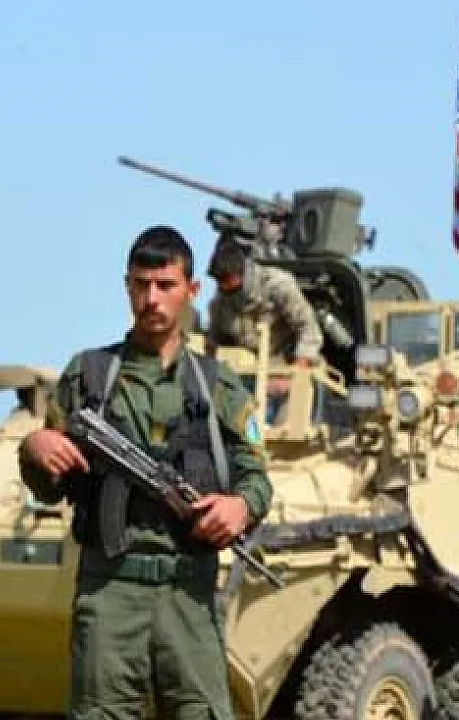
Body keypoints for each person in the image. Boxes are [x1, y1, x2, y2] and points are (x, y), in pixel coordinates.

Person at [18, 226, 274, 720]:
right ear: (127, 286)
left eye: (165, 285)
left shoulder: (218, 386)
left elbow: (255, 475)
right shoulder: (89, 376)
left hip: (188, 591)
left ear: (191, 290)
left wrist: (241, 506)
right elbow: (48, 488)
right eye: (141, 284)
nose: (151, 298)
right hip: (110, 588)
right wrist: (36, 449)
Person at [204, 240, 324, 419]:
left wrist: (293, 376)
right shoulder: (220, 304)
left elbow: (309, 329)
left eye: (230, 285)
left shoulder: (277, 285)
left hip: (291, 367)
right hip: (250, 376)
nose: (223, 290)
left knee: (288, 422)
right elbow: (213, 345)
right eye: (220, 285)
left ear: (242, 273)